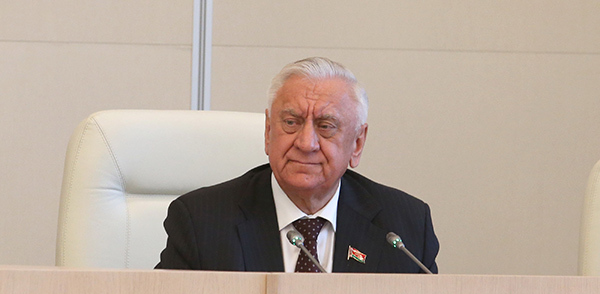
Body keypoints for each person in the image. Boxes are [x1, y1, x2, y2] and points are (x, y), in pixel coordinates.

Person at [156, 57, 439, 273]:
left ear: (357, 143)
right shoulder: (201, 222)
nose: (306, 143)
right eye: (291, 123)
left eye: (326, 126)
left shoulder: (405, 227)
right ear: (268, 132)